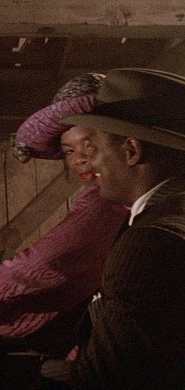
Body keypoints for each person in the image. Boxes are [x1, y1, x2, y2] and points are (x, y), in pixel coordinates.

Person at [0, 73, 129, 357]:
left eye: (89, 145)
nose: (79, 159)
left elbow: (46, 264)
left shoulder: (108, 199)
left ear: (124, 143)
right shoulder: (110, 193)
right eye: (69, 151)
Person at [51, 68, 185, 388]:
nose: (91, 163)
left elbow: (108, 377)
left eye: (95, 148)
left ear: (131, 151)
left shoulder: (147, 243)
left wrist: (44, 372)